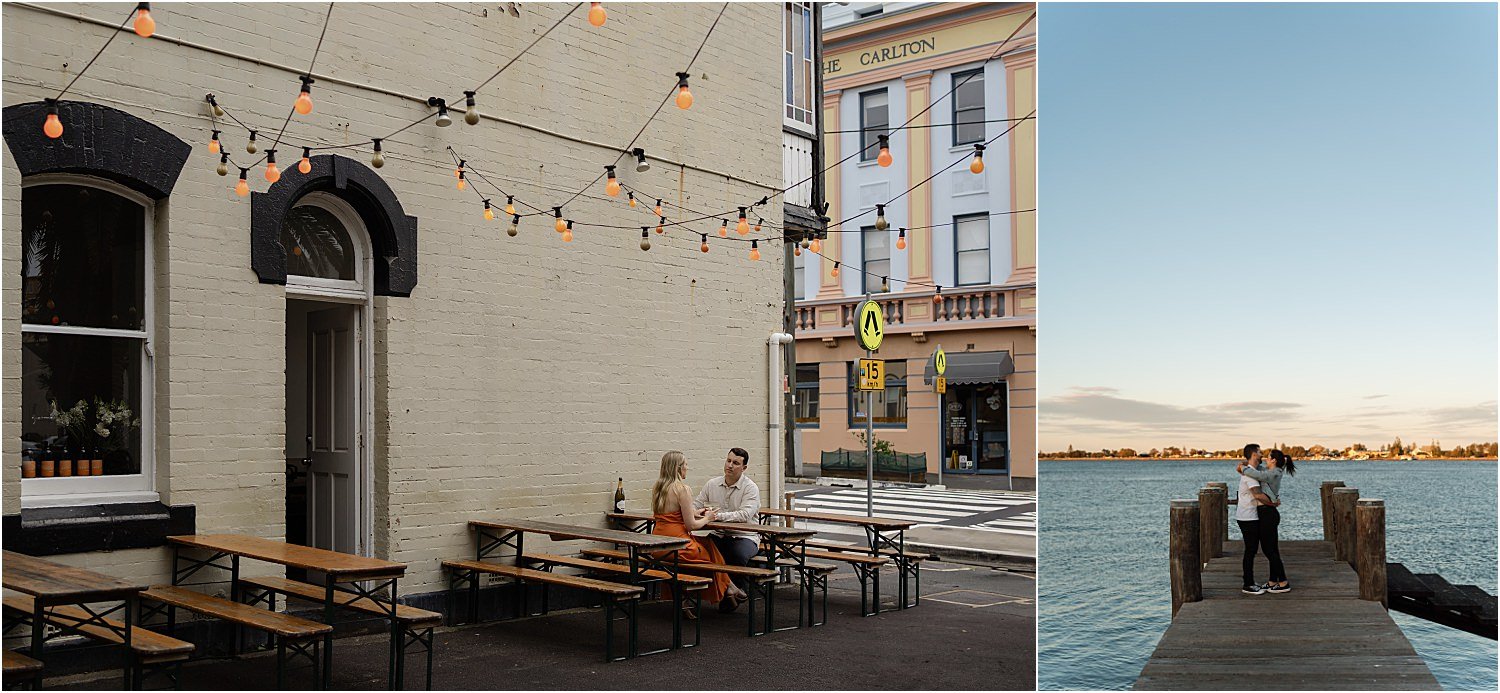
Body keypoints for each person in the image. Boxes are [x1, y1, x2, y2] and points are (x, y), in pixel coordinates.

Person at [649, 451, 747, 616]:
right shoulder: (682, 489)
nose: (687, 467)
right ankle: (728, 587)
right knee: (709, 559)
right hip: (678, 545)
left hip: (658, 545)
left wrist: (695, 511)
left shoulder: (659, 487)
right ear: (678, 468)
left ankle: (727, 588)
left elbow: (672, 514)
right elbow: (691, 525)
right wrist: (708, 517)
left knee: (709, 543)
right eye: (685, 464)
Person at [695, 447, 761, 603]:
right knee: (700, 551)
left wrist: (715, 516)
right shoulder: (712, 484)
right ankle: (727, 591)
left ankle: (734, 593)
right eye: (728, 460)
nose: (730, 465)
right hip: (719, 534)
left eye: (736, 463)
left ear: (744, 468)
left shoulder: (750, 488)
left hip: (745, 536)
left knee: (736, 554)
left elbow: (744, 515)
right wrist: (695, 512)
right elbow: (696, 504)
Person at [1239, 449, 1296, 593]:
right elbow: (1257, 469)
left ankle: (1283, 582)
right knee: (1272, 549)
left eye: (1268, 457)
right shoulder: (1271, 470)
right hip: (1265, 513)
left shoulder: (1274, 473)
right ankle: (1272, 581)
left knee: (1269, 550)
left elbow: (1257, 474)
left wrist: (1243, 468)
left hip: (1268, 514)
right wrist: (1244, 464)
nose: (1265, 458)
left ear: (1274, 460)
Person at [1235, 444, 1280, 595]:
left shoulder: (1252, 471)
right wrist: (1273, 504)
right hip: (1248, 517)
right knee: (1250, 550)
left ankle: (1254, 581)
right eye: (1260, 452)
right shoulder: (1250, 474)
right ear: (1254, 454)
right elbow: (1258, 495)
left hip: (1251, 516)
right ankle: (1248, 584)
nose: (1262, 454)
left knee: (1253, 549)